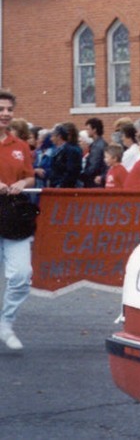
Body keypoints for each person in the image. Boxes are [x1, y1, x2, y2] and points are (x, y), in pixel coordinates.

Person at [0, 90, 36, 350]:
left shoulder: (20, 146)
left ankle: (5, 322)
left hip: (13, 215)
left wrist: (23, 182)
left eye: (9, 109)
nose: (5, 114)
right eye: (1, 109)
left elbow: (30, 177)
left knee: (22, 274)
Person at [47, 123, 83, 188]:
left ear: (59, 136)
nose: (51, 139)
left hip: (65, 188)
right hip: (55, 186)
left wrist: (61, 185)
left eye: (53, 136)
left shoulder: (71, 151)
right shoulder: (56, 151)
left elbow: (71, 171)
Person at [81, 117, 108, 187]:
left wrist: (82, 176)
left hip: (94, 182)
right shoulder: (98, 144)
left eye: (88, 129)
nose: (87, 131)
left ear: (94, 130)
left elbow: (94, 166)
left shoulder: (98, 146)